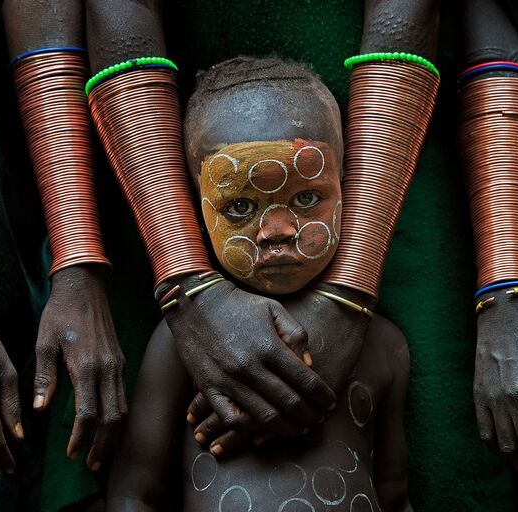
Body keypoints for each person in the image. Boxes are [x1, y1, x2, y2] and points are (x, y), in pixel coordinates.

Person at [107, 57, 412, 512]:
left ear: (349, 189)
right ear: (194, 213)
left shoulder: (383, 345)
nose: (276, 231)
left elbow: (394, 495)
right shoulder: (181, 345)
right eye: (239, 208)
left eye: (307, 198)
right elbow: (135, 493)